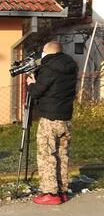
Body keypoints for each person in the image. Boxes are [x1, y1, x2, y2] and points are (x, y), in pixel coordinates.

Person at [27, 40, 78, 205]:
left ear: (48, 52)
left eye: (43, 52)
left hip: (50, 118)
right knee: (62, 155)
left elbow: (37, 91)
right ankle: (62, 191)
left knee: (46, 154)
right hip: (65, 118)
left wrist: (31, 83)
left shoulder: (49, 68)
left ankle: (50, 193)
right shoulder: (70, 65)